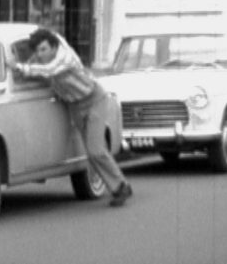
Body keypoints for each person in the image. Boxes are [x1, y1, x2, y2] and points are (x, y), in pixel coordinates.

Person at [7, 28, 133, 207]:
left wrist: (20, 67)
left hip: (93, 99)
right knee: (90, 152)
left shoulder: (64, 58)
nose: (40, 55)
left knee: (96, 149)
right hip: (74, 104)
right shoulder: (52, 46)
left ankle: (121, 186)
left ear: (53, 47)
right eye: (37, 51)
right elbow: (47, 48)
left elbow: (50, 71)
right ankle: (117, 186)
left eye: (44, 50)